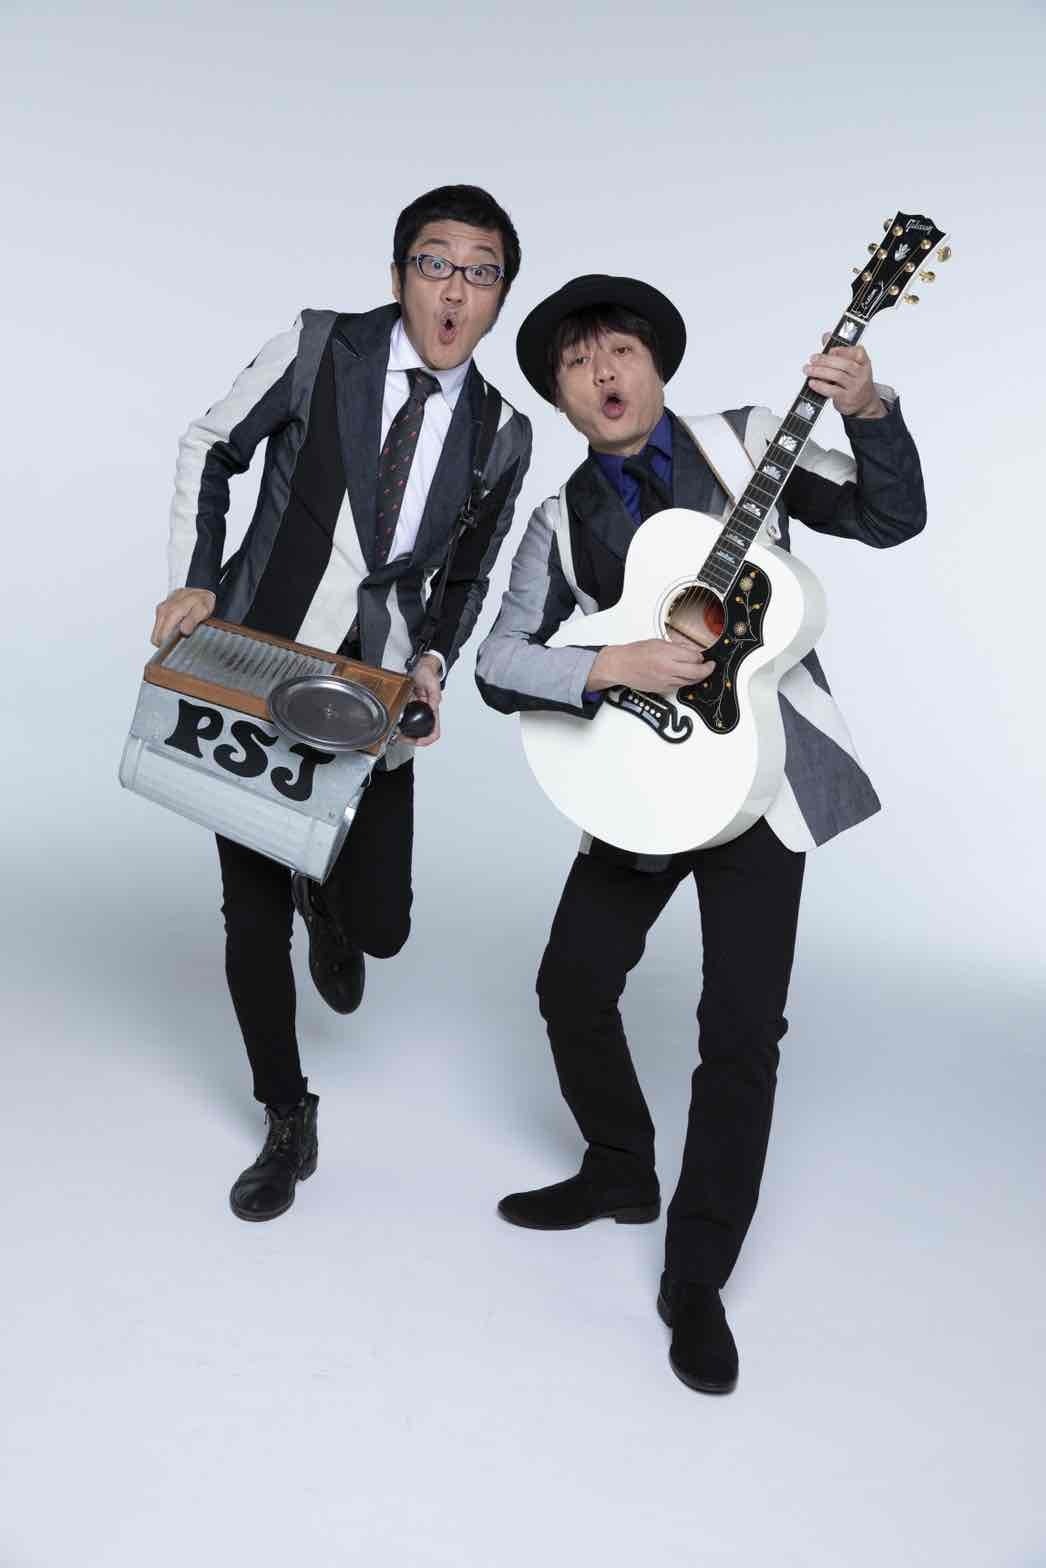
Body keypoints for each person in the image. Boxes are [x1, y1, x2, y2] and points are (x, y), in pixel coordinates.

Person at [475, 274, 926, 1393]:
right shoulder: (556, 520)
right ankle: (620, 1167)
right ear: (560, 399)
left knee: (739, 1029)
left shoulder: (750, 442)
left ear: (656, 366)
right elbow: (497, 662)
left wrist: (869, 411)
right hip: (643, 775)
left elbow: (887, 518)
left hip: (761, 782)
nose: (603, 372)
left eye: (620, 350)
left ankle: (697, 1273)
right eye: (577, 362)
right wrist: (611, 663)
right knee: (572, 982)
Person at [152, 185, 531, 1223]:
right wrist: (194, 579)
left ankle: (325, 895)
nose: (453, 290)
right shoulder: (320, 347)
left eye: (480, 271)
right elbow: (210, 443)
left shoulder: (502, 431)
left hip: (377, 691)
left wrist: (434, 660)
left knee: (383, 925)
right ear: (399, 273)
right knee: (249, 914)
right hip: (257, 659)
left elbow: (468, 575)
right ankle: (287, 1114)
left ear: (499, 295)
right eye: (434, 262)